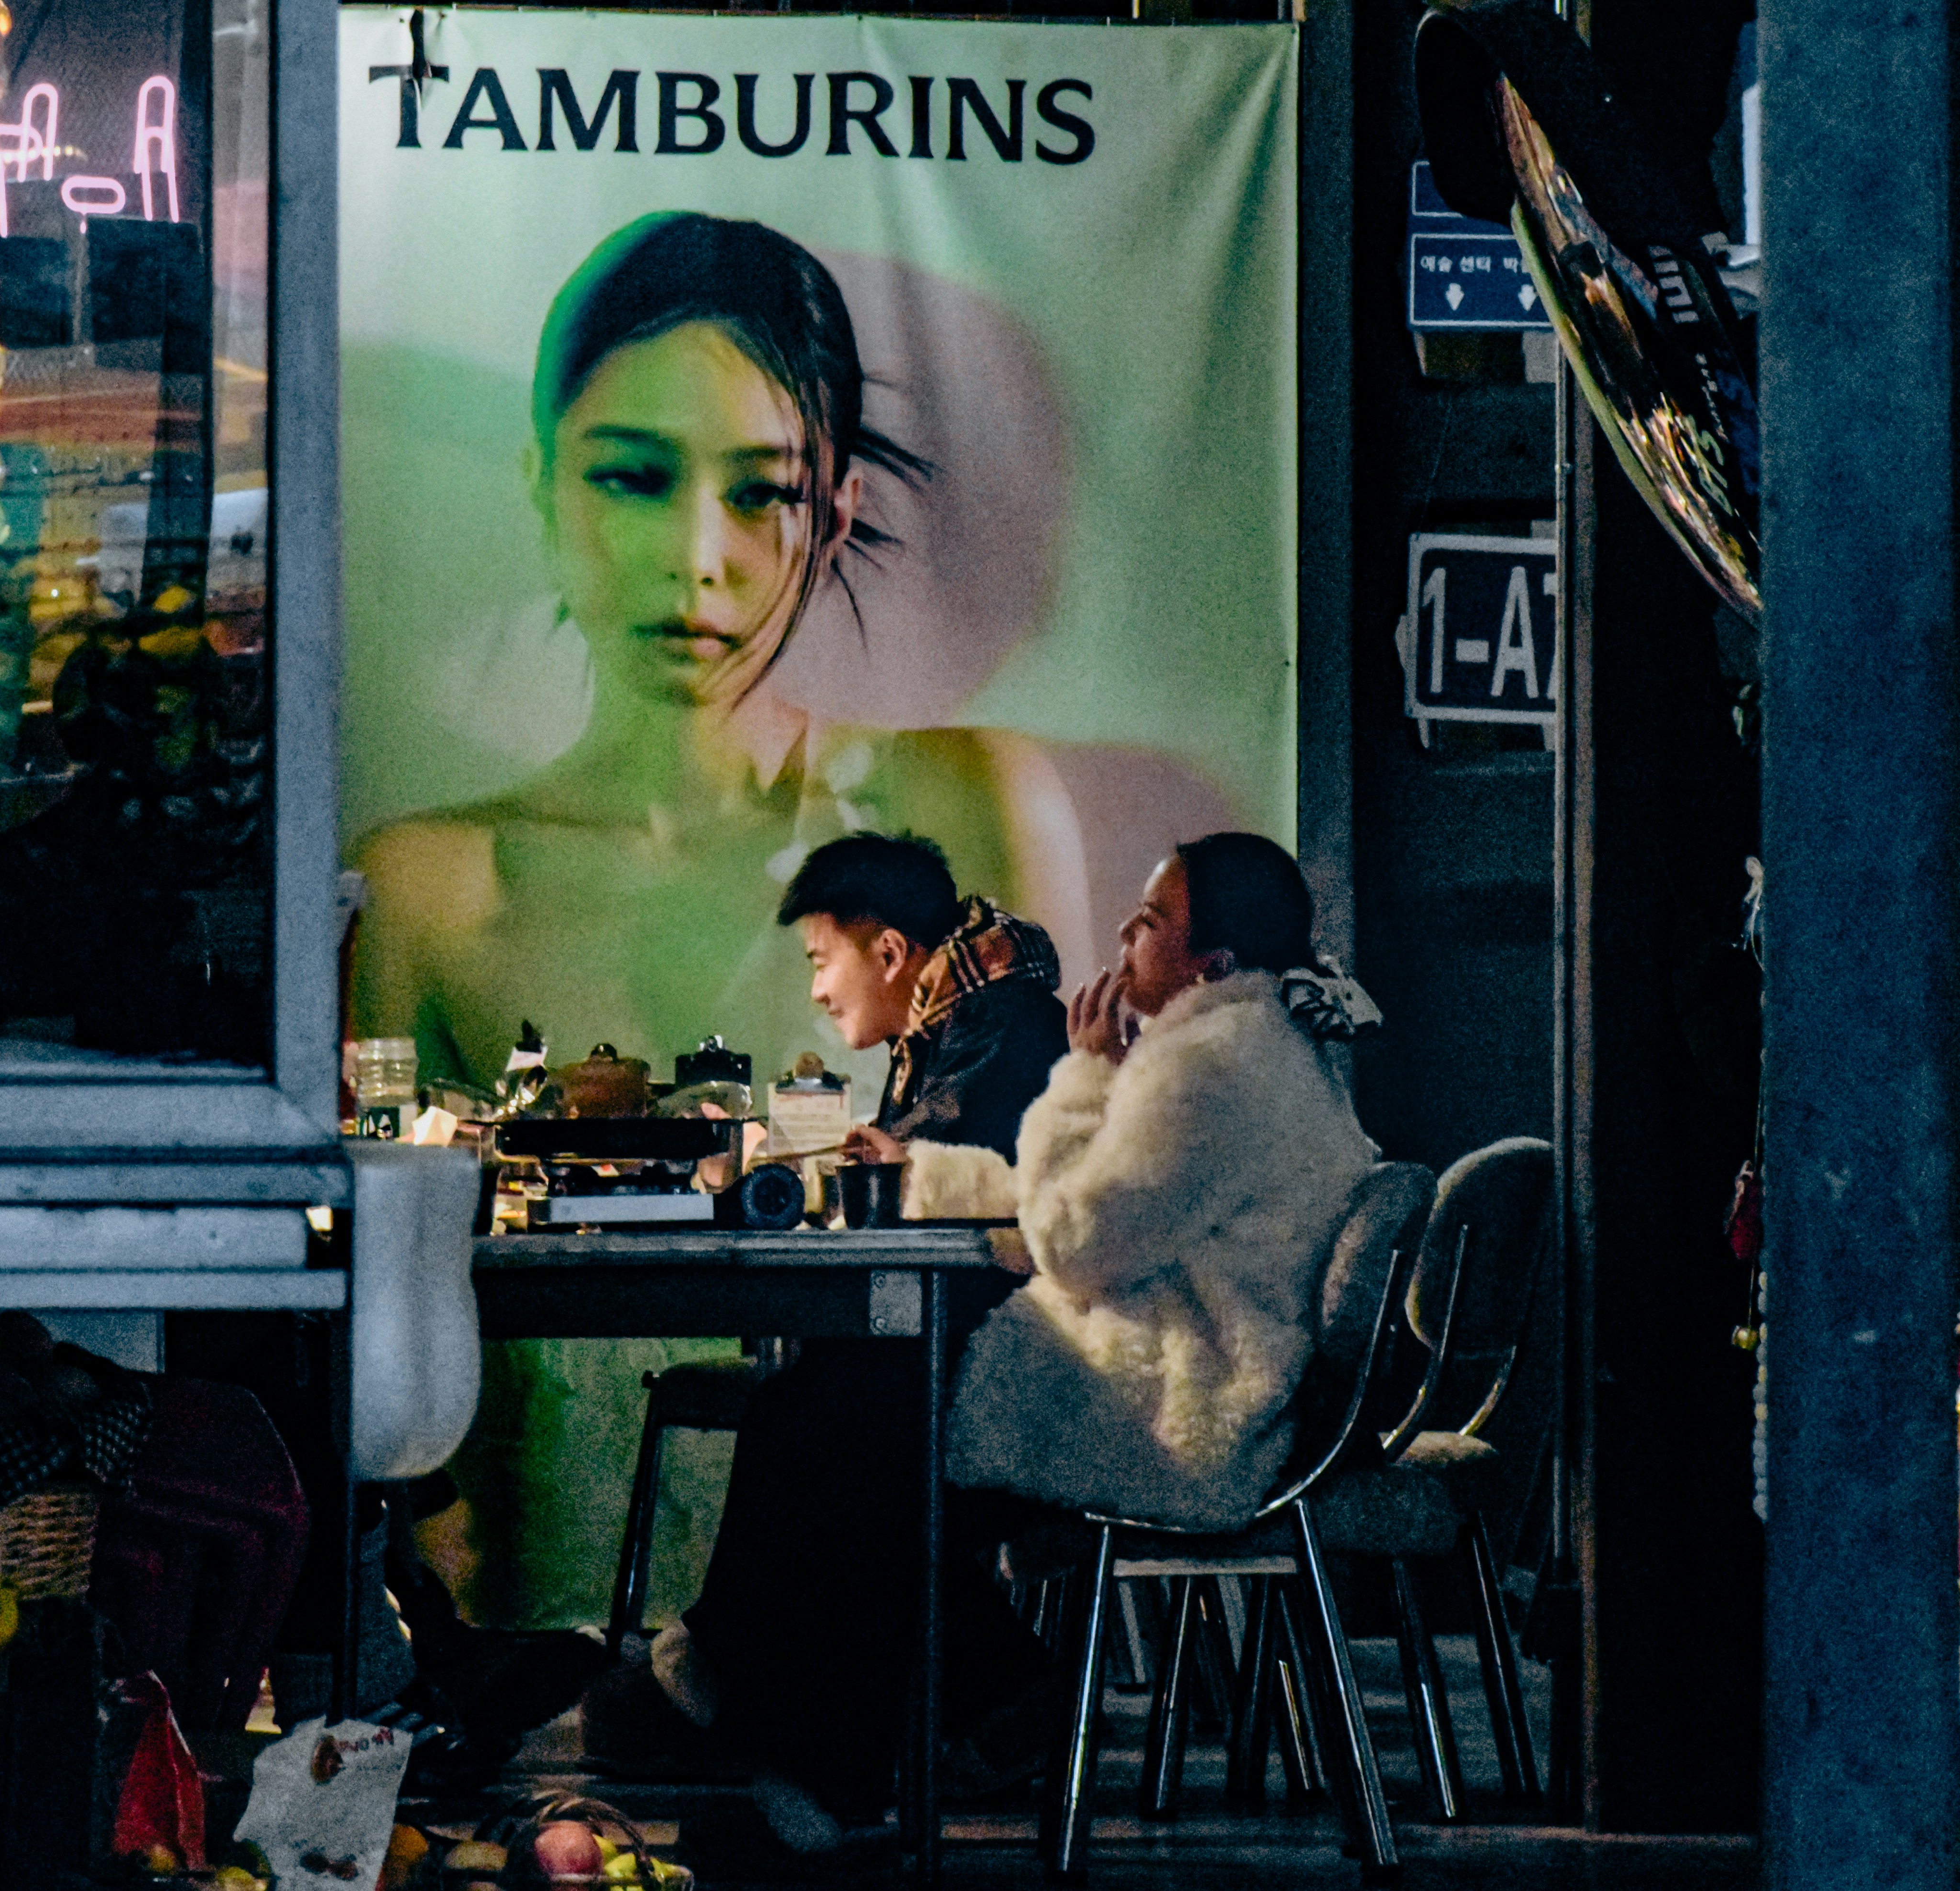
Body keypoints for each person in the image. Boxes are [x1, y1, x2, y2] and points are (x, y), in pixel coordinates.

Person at [353, 211, 1100, 1631]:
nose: (695, 558)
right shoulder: (428, 888)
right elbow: (389, 1322)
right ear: (542, 484)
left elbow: (1051, 1218)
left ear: (830, 510)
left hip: (895, 1624)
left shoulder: (976, 809)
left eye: (757, 494)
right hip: (536, 1644)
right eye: (633, 477)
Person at [600, 831, 1381, 1853]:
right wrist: (923, 1178)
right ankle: (817, 1729)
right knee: (836, 1406)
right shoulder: (1245, 1048)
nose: (1124, 933)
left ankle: (803, 1752)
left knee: (846, 1422)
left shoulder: (1212, 1068)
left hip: (1182, 1407)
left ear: (1215, 965)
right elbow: (1074, 1208)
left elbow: (1072, 1238)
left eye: (1151, 921)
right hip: (1183, 1370)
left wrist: (1087, 1076)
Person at [780, 831, 1067, 1168]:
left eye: (822, 964)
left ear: (890, 954)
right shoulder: (933, 1032)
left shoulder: (999, 1021)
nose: (818, 991)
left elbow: (922, 1169)